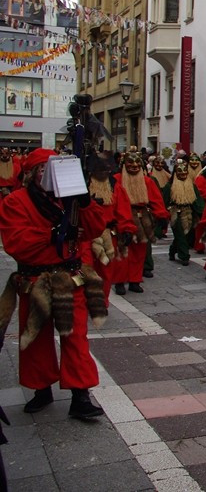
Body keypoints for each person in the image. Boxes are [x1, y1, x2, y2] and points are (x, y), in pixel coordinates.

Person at [0, 149, 107, 419]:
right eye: (42, 170)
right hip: (35, 281)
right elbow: (17, 243)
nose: (47, 175)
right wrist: (53, 234)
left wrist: (84, 202)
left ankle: (80, 395)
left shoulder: (70, 199)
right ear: (31, 174)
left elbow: (94, 228)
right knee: (35, 337)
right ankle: (41, 388)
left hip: (70, 279)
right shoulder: (16, 201)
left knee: (75, 337)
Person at [109, 148, 168, 295]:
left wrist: (161, 216)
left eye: (137, 162)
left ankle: (135, 281)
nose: (134, 165)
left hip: (142, 219)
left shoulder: (147, 181)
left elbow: (156, 200)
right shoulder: (116, 179)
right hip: (122, 219)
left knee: (139, 252)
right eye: (130, 162)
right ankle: (119, 282)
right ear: (123, 164)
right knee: (122, 253)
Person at [86, 153, 135, 303]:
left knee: (106, 272)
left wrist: (126, 229)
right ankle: (86, 300)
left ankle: (102, 302)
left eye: (105, 169)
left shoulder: (116, 188)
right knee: (86, 270)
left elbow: (123, 212)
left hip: (108, 236)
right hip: (87, 237)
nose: (102, 172)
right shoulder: (84, 185)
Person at [161, 159, 205, 266]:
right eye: (179, 171)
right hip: (175, 213)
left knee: (185, 235)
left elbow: (197, 200)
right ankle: (184, 256)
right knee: (180, 234)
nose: (183, 173)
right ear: (175, 173)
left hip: (189, 212)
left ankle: (172, 250)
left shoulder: (192, 186)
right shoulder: (169, 186)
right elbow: (164, 202)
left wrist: (201, 212)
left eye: (185, 170)